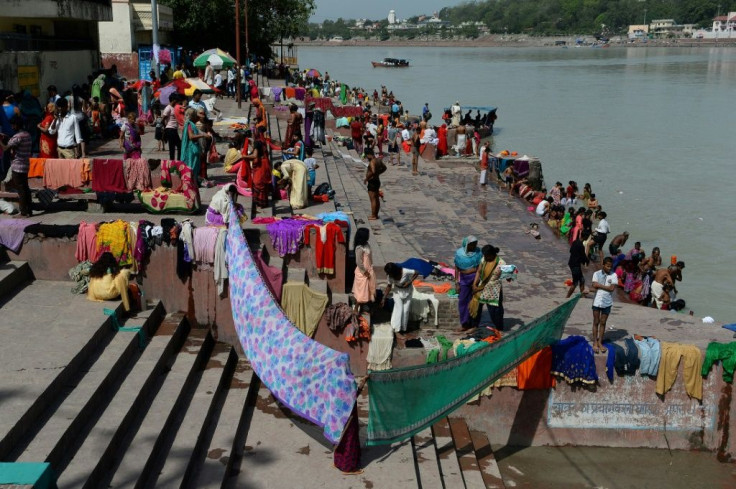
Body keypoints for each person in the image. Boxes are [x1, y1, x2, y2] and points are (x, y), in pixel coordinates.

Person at [0, 116, 32, 216]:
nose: (12, 127)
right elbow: (15, 142)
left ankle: (23, 212)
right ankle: (29, 210)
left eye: (13, 125)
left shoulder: (17, 137)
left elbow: (5, 148)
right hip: (25, 165)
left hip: (17, 166)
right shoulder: (27, 134)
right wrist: (6, 138)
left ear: (17, 125)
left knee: (21, 189)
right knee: (26, 188)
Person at [473, 244, 506, 331]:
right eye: (485, 256)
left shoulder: (501, 263)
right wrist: (474, 284)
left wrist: (511, 274)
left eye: (487, 256)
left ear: (492, 254)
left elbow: (507, 276)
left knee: (495, 311)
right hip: (481, 287)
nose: (486, 258)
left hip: (494, 290)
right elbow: (479, 272)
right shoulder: (483, 259)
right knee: (476, 307)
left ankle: (498, 329)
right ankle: (474, 326)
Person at [381, 263, 419, 338]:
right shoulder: (389, 277)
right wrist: (383, 298)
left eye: (390, 273)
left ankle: (403, 329)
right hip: (397, 292)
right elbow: (389, 286)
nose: (389, 275)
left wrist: (409, 282)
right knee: (399, 309)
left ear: (395, 271)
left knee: (405, 311)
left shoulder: (405, 271)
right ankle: (397, 331)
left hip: (408, 291)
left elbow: (416, 272)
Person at [454, 236, 483, 330]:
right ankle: (465, 323)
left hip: (476, 279)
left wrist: (476, 282)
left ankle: (474, 325)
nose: (474, 246)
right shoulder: (459, 254)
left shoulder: (478, 253)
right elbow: (457, 268)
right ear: (466, 244)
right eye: (472, 244)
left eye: (475, 244)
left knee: (475, 302)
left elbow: (480, 268)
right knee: (463, 301)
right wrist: (457, 282)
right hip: (463, 279)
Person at [591, 256, 617, 354]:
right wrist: (604, 286)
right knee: (596, 321)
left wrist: (599, 286)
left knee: (603, 322)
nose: (609, 268)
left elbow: (612, 289)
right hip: (597, 301)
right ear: (603, 265)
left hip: (607, 302)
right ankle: (595, 342)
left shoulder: (614, 275)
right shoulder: (596, 274)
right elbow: (594, 285)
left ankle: (600, 342)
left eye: (610, 266)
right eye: (607, 266)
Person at [352, 228, 376, 315]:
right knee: (361, 292)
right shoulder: (359, 248)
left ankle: (363, 308)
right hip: (363, 273)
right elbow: (358, 262)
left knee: (368, 291)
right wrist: (365, 272)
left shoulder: (367, 245)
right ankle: (356, 308)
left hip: (369, 270)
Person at [180, 108, 206, 184]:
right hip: (191, 150)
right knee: (191, 166)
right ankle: (190, 182)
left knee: (192, 166)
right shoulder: (189, 124)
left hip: (192, 149)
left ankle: (191, 181)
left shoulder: (189, 123)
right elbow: (191, 136)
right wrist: (202, 135)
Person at [567, 230, 590, 298]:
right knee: (575, 283)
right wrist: (587, 261)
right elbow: (583, 256)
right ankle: (567, 296)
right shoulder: (581, 246)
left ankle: (582, 295)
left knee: (582, 280)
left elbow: (570, 251)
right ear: (585, 237)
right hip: (575, 265)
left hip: (571, 263)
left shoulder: (574, 242)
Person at [364, 155, 385, 220]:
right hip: (377, 181)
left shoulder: (372, 162)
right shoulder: (378, 160)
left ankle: (373, 215)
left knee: (373, 199)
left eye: (367, 156)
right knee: (376, 199)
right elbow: (384, 168)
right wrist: (378, 173)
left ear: (369, 154)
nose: (367, 158)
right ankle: (376, 215)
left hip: (372, 182)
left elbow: (373, 171)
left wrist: (367, 178)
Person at [162, 96, 181, 161]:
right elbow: (163, 119)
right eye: (176, 100)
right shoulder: (168, 108)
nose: (177, 102)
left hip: (174, 129)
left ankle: (175, 161)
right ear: (173, 100)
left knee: (176, 146)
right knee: (175, 146)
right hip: (170, 129)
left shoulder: (174, 108)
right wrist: (165, 128)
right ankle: (174, 161)